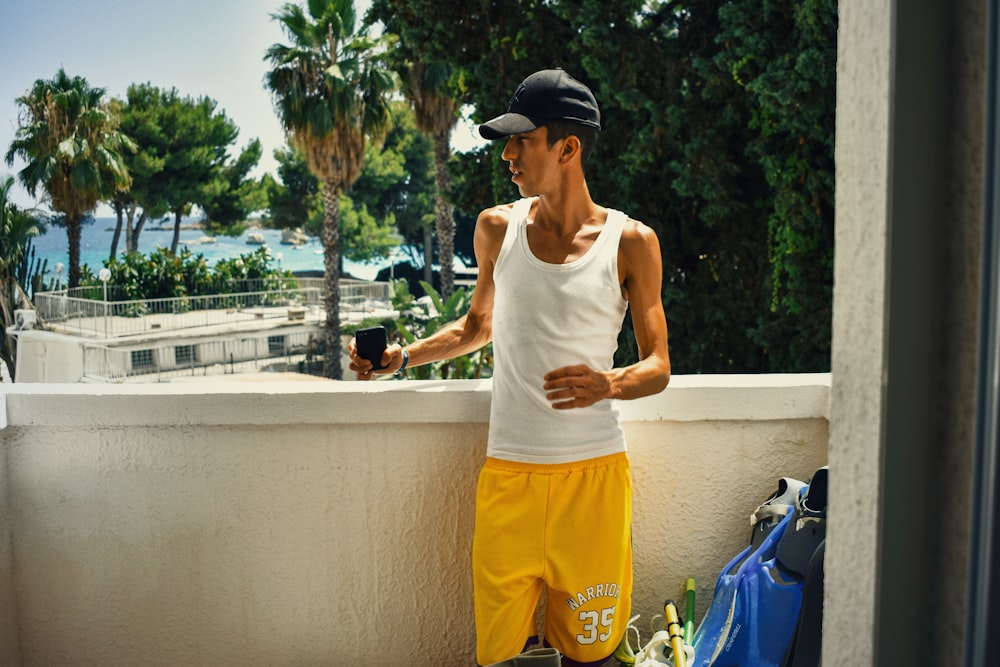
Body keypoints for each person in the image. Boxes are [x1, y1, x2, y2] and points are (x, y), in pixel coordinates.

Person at [349, 68, 671, 667]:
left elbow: (657, 366)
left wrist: (608, 383)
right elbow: (476, 329)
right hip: (509, 478)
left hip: (593, 482)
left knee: (593, 657)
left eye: (523, 139)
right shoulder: (497, 228)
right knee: (497, 658)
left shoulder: (632, 241)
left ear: (567, 148)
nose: (508, 154)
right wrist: (403, 358)